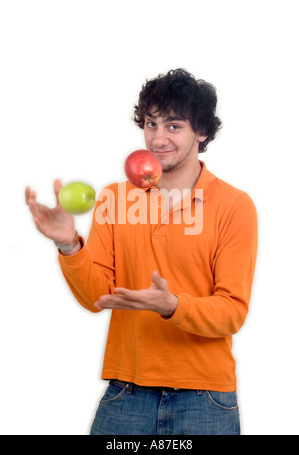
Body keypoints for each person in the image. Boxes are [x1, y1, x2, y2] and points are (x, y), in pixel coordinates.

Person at [25, 69, 258, 435]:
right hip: (127, 393)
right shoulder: (114, 198)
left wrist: (172, 306)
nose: (158, 138)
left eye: (174, 126)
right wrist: (68, 243)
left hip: (205, 399)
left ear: (203, 132)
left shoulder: (234, 206)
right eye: (151, 124)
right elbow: (97, 297)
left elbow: (232, 312)